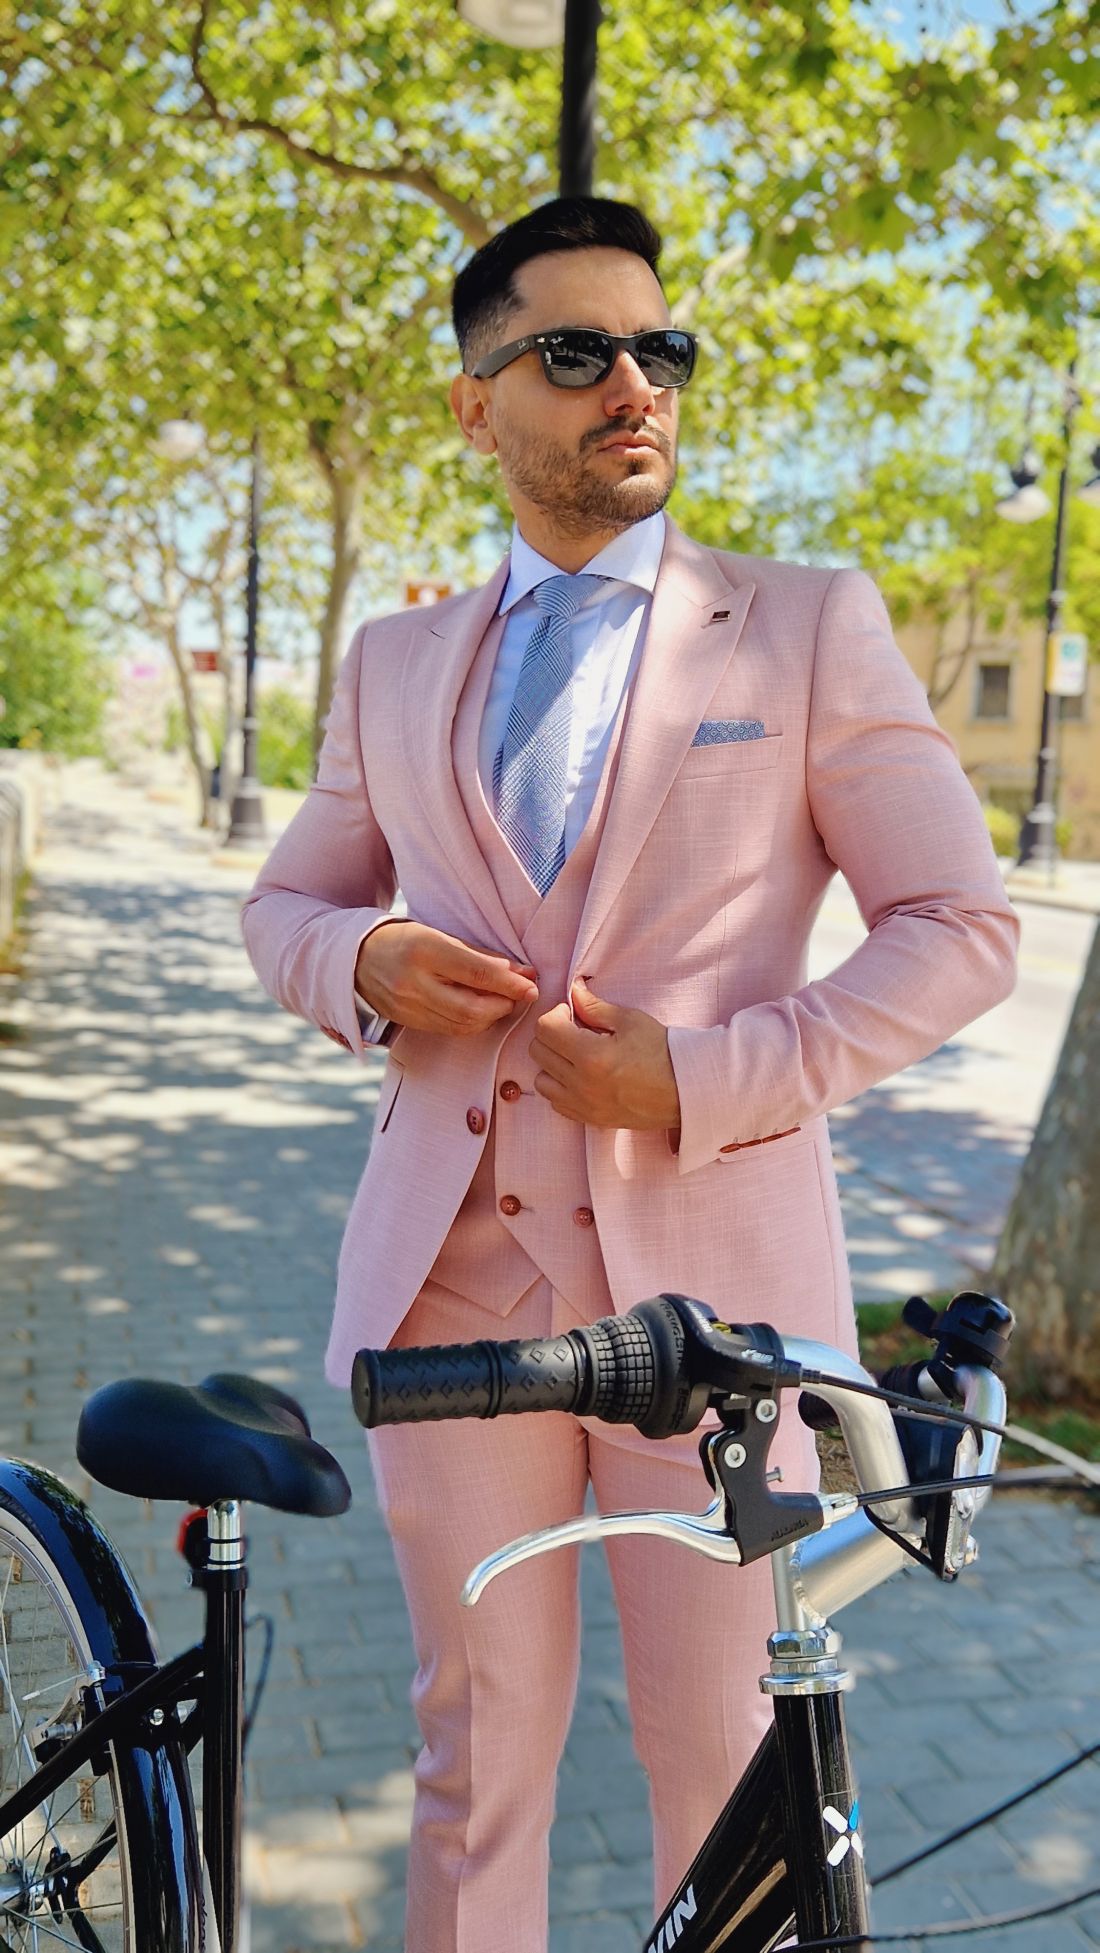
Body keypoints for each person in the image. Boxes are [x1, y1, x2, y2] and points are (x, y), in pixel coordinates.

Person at [242, 196, 1018, 1953]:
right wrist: (358, 964)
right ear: (475, 404)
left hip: (725, 1327)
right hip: (453, 1304)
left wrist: (708, 1072)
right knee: (474, 1761)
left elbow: (961, 924)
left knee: (734, 1764)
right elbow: (283, 902)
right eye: (576, 351)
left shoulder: (808, 627)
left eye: (658, 348)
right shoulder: (396, 663)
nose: (631, 385)